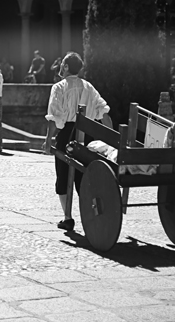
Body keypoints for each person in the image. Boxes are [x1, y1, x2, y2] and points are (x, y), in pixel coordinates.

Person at [45, 52, 110, 231]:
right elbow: (104, 112)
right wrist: (110, 139)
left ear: (66, 67)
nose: (60, 67)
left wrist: (48, 140)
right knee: (85, 177)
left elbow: (54, 118)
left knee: (62, 175)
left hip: (67, 135)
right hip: (87, 136)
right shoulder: (89, 87)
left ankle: (68, 217)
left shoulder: (58, 87)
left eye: (62, 64)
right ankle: (91, 215)